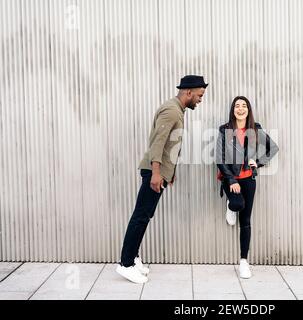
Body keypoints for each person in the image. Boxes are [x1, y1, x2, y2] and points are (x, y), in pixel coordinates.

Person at [116, 75, 208, 283]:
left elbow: (169, 145)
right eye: (199, 96)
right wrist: (157, 173)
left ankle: (132, 257)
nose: (200, 100)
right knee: (140, 216)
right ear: (188, 92)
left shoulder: (178, 110)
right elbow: (158, 143)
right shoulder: (171, 110)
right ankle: (126, 263)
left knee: (144, 216)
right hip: (153, 172)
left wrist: (170, 172)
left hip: (160, 171)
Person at [216, 96, 279, 279]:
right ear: (233, 109)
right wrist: (231, 180)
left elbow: (273, 149)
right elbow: (219, 159)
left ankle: (244, 261)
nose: (240, 109)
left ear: (248, 109)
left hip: (249, 179)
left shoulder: (255, 129)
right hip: (230, 179)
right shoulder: (225, 129)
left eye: (244, 106)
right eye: (237, 106)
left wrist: (257, 163)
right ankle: (231, 205)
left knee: (246, 221)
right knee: (237, 205)